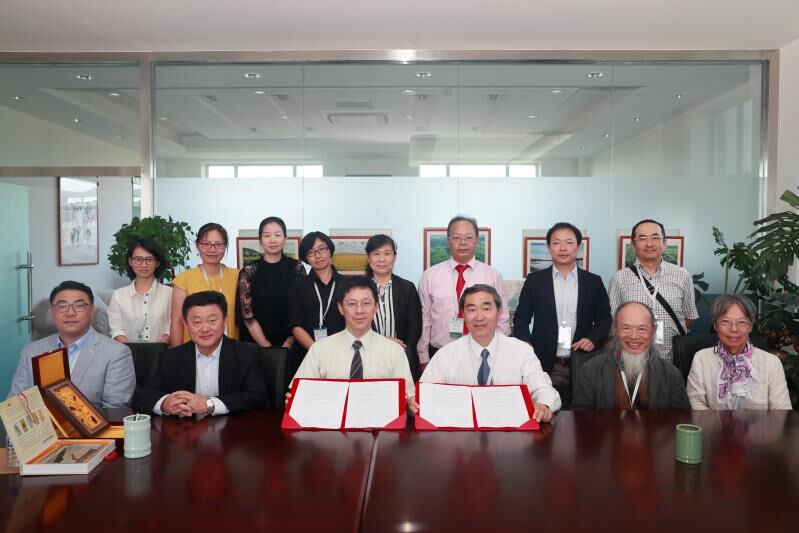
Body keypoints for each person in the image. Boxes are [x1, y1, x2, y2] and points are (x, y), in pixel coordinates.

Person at [417, 284, 560, 422]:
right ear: (463, 315)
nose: (479, 317)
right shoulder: (446, 354)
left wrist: (543, 405)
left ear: (499, 311)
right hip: (460, 433)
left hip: (510, 431)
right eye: (472, 310)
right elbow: (425, 394)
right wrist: (415, 404)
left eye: (486, 308)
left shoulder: (521, 351)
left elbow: (544, 389)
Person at [513, 222, 611, 408]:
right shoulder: (535, 281)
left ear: (578, 247)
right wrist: (525, 343)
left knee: (581, 414)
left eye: (569, 242)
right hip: (543, 361)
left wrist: (593, 338)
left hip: (582, 360)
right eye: (557, 243)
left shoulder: (593, 282)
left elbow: (604, 319)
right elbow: (521, 318)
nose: (563, 248)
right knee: (545, 411)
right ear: (549, 247)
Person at [133, 291, 266, 416]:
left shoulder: (247, 354)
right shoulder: (170, 358)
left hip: (232, 429)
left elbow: (258, 397)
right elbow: (143, 396)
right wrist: (164, 403)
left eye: (212, 321)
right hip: (186, 430)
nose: (205, 329)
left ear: (225, 321)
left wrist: (209, 404)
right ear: (186, 325)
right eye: (197, 322)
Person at [8, 281, 135, 408]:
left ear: (92, 311)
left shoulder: (117, 353)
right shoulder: (31, 350)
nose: (70, 313)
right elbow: (16, 404)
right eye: (62, 306)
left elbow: (114, 410)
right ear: (52, 312)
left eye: (79, 306)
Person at [290, 276, 415, 402]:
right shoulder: (319, 350)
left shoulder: (394, 351)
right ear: (340, 308)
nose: (359, 310)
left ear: (376, 307)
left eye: (366, 303)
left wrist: (410, 403)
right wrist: (295, 400)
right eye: (351, 304)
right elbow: (302, 394)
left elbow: (408, 396)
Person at [417, 215, 510, 367]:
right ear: (448, 241)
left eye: (468, 237)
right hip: (440, 352)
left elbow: (502, 317)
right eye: (457, 238)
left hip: (483, 353)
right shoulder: (430, 276)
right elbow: (425, 318)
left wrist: (499, 353)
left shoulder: (492, 275)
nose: (463, 242)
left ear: (477, 240)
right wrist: (423, 355)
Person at [572, 302, 690, 411]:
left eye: (642, 329)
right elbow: (581, 418)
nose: (634, 336)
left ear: (653, 332)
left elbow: (681, 418)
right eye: (626, 328)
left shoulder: (671, 375)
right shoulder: (591, 370)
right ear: (615, 330)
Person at [608, 219, 698, 361]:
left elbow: (689, 317)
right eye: (642, 238)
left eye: (655, 238)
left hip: (673, 359)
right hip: (631, 358)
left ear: (665, 242)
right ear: (633, 245)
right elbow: (614, 320)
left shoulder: (682, 275)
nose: (649, 244)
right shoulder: (619, 278)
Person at [687, 294, 791, 410]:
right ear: (716, 326)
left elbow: (781, 410)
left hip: (761, 422)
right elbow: (695, 402)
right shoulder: (702, 359)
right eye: (726, 321)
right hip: (714, 422)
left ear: (750, 327)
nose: (734, 329)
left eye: (742, 322)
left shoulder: (771, 363)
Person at [237, 216, 304, 348]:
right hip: (256, 345)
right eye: (267, 235)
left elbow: (301, 310)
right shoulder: (248, 271)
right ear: (260, 240)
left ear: (285, 238)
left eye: (277, 235)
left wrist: (288, 343)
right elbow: (247, 315)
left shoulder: (297, 268)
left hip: (293, 343)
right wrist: (267, 347)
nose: (272, 240)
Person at [287, 231, 345, 379]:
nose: (317, 255)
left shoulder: (347, 284)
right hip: (307, 355)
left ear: (330, 251)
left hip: (343, 355)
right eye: (311, 252)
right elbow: (295, 324)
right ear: (306, 258)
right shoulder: (298, 285)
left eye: (321, 249)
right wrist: (317, 352)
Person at [170, 222, 239, 346]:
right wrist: (177, 354)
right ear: (198, 246)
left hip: (231, 350)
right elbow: (177, 321)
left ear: (225, 246)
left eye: (218, 244)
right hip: (193, 351)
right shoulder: (183, 280)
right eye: (206, 244)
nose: (212, 249)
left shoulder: (238, 277)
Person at [365, 234, 422, 379]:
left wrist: (404, 352)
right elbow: (353, 325)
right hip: (367, 356)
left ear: (395, 257)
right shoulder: (359, 289)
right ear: (368, 258)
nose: (382, 259)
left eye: (387, 253)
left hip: (402, 358)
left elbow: (415, 328)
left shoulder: (407, 288)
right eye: (376, 254)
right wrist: (383, 342)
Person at [108, 238, 172, 344]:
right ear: (130, 261)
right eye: (138, 259)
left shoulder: (170, 293)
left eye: (149, 259)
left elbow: (171, 327)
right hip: (127, 352)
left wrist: (158, 348)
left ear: (157, 263)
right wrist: (131, 350)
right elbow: (116, 330)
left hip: (162, 351)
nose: (144, 265)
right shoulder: (118, 295)